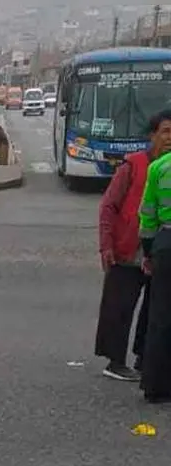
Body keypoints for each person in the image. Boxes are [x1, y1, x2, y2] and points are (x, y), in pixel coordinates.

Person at [97, 111, 171, 382]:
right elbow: (108, 206)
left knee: (155, 309)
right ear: (152, 136)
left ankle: (144, 358)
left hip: (160, 249)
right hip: (128, 246)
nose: (169, 138)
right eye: (165, 132)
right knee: (120, 306)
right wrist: (106, 245)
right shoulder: (133, 165)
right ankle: (115, 361)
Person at [139, 113, 171, 404]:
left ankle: (154, 385)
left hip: (165, 243)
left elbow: (147, 215)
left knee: (160, 316)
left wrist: (148, 252)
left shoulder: (158, 168)